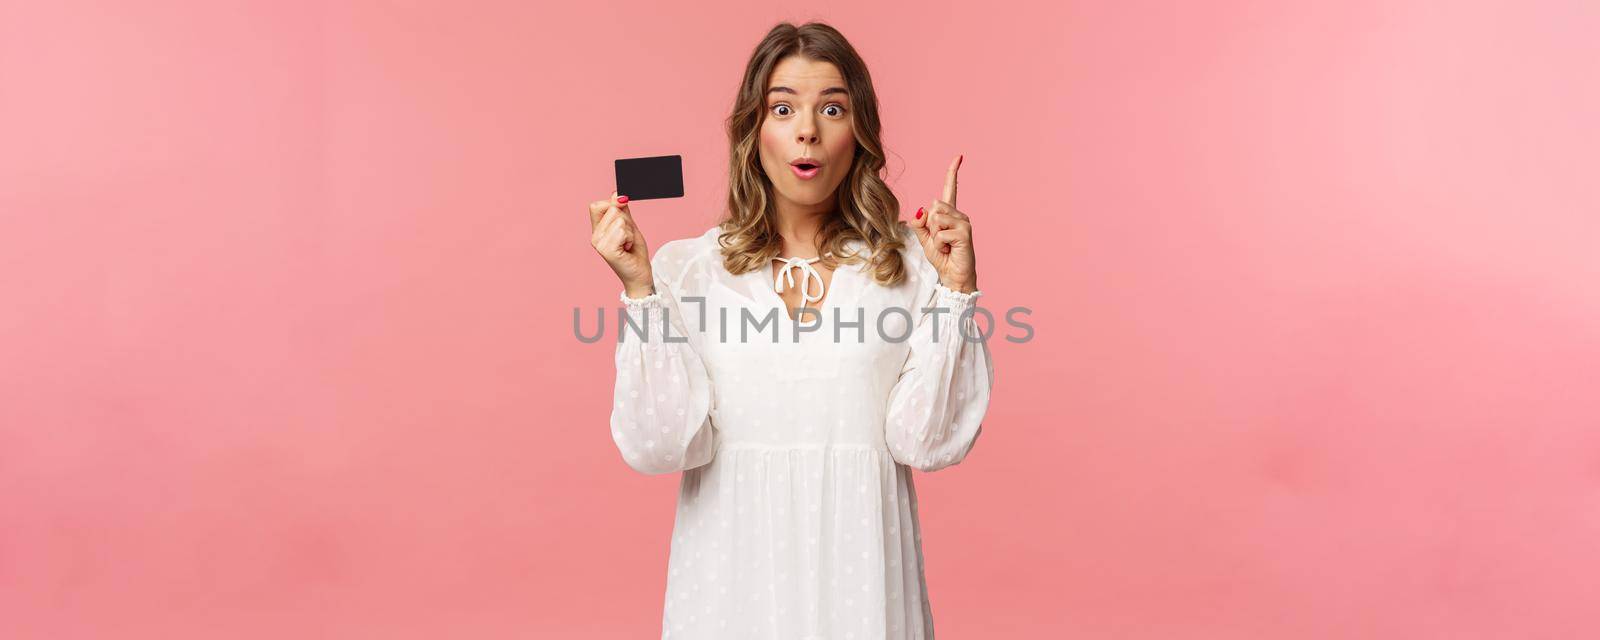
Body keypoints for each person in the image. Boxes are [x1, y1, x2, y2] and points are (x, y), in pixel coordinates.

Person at [585, 21, 994, 640]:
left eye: (832, 107)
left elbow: (925, 442)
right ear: (754, 133)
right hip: (730, 586)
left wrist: (956, 291)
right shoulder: (687, 269)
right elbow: (662, 444)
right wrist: (640, 290)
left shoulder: (912, 265)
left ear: (860, 134)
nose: (808, 129)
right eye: (783, 108)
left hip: (863, 586)